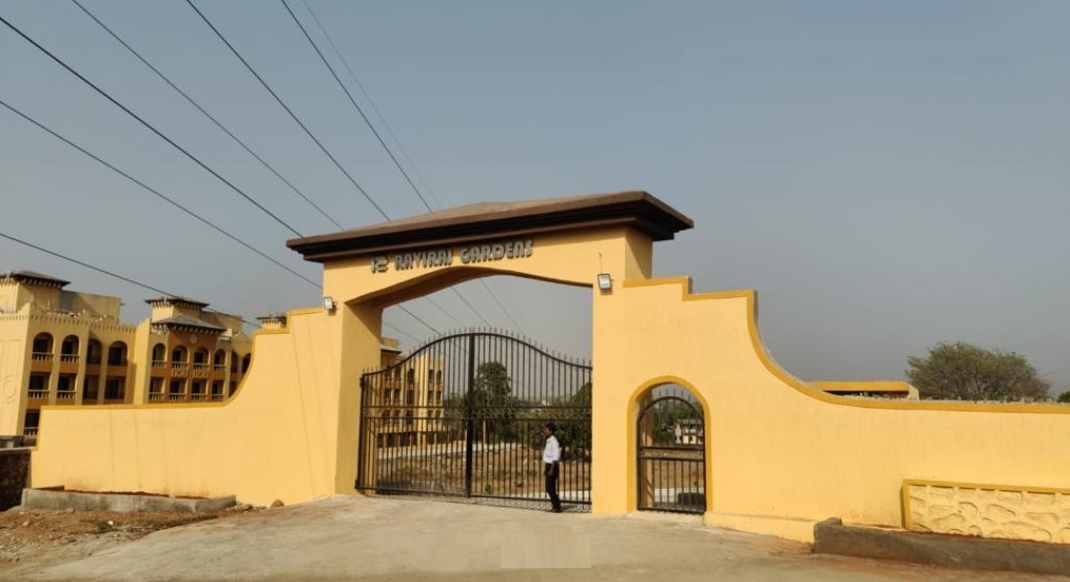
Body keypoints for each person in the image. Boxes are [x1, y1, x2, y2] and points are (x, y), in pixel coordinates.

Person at [542, 422, 562, 513]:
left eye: (545, 430)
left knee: (549, 488)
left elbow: (555, 457)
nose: (544, 431)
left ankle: (557, 506)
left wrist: (551, 469)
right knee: (551, 488)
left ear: (550, 431)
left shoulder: (554, 442)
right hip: (549, 465)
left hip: (552, 466)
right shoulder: (549, 440)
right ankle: (555, 506)